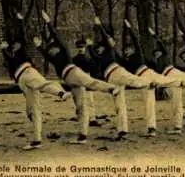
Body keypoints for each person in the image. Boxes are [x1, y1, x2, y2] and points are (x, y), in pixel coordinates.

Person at [34, 11, 121, 144]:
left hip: (74, 72)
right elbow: (45, 53)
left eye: (54, 47)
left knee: (91, 82)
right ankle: (83, 136)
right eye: (50, 49)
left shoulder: (64, 50)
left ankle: (112, 89)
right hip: (69, 80)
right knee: (80, 107)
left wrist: (48, 22)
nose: (52, 50)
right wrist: (39, 46)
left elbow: (56, 37)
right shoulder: (51, 57)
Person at [0, 12, 72, 150]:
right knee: (33, 111)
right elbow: (8, 59)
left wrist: (20, 21)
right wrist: (3, 49)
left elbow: (22, 35)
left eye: (16, 44)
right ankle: (37, 140)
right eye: (12, 45)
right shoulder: (10, 55)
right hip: (22, 82)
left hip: (28, 72)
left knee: (42, 84)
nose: (14, 46)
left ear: (20, 45)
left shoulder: (22, 51)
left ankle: (61, 93)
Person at [90, 17, 155, 137]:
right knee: (119, 105)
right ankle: (122, 130)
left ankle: (149, 83)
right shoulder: (116, 58)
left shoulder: (110, 51)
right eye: (125, 50)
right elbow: (94, 56)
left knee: (131, 79)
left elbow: (107, 40)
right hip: (111, 79)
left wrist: (100, 26)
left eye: (99, 47)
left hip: (117, 72)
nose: (98, 49)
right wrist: (89, 47)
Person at [72, 37, 101, 127]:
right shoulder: (75, 59)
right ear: (77, 48)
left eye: (82, 47)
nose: (80, 49)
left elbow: (94, 68)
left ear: (84, 47)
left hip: (87, 78)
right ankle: (83, 117)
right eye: (79, 47)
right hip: (78, 79)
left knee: (89, 99)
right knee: (80, 100)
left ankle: (92, 118)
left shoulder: (88, 59)